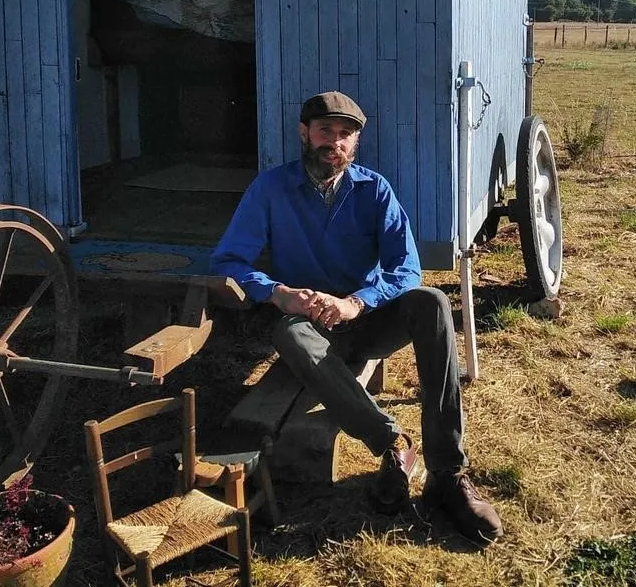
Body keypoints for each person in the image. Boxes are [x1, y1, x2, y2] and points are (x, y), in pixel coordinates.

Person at [211, 91, 503, 545]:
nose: (335, 142)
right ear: (304, 133)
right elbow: (229, 259)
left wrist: (357, 302)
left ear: (356, 143)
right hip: (310, 327)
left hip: (368, 322)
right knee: (288, 332)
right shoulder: (270, 189)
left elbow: (406, 269)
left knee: (432, 302)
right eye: (325, 131)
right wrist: (279, 294)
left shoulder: (374, 190)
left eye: (345, 134)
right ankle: (391, 444)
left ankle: (447, 474)